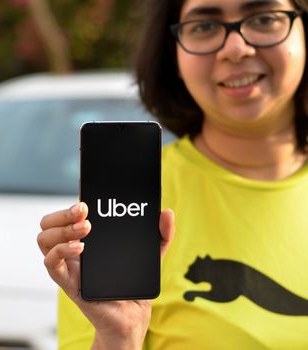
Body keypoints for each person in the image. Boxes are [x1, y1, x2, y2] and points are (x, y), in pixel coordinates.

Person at [37, 0, 308, 348]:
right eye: (204, 27)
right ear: (174, 54)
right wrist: (118, 336)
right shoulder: (127, 203)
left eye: (265, 18)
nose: (236, 48)